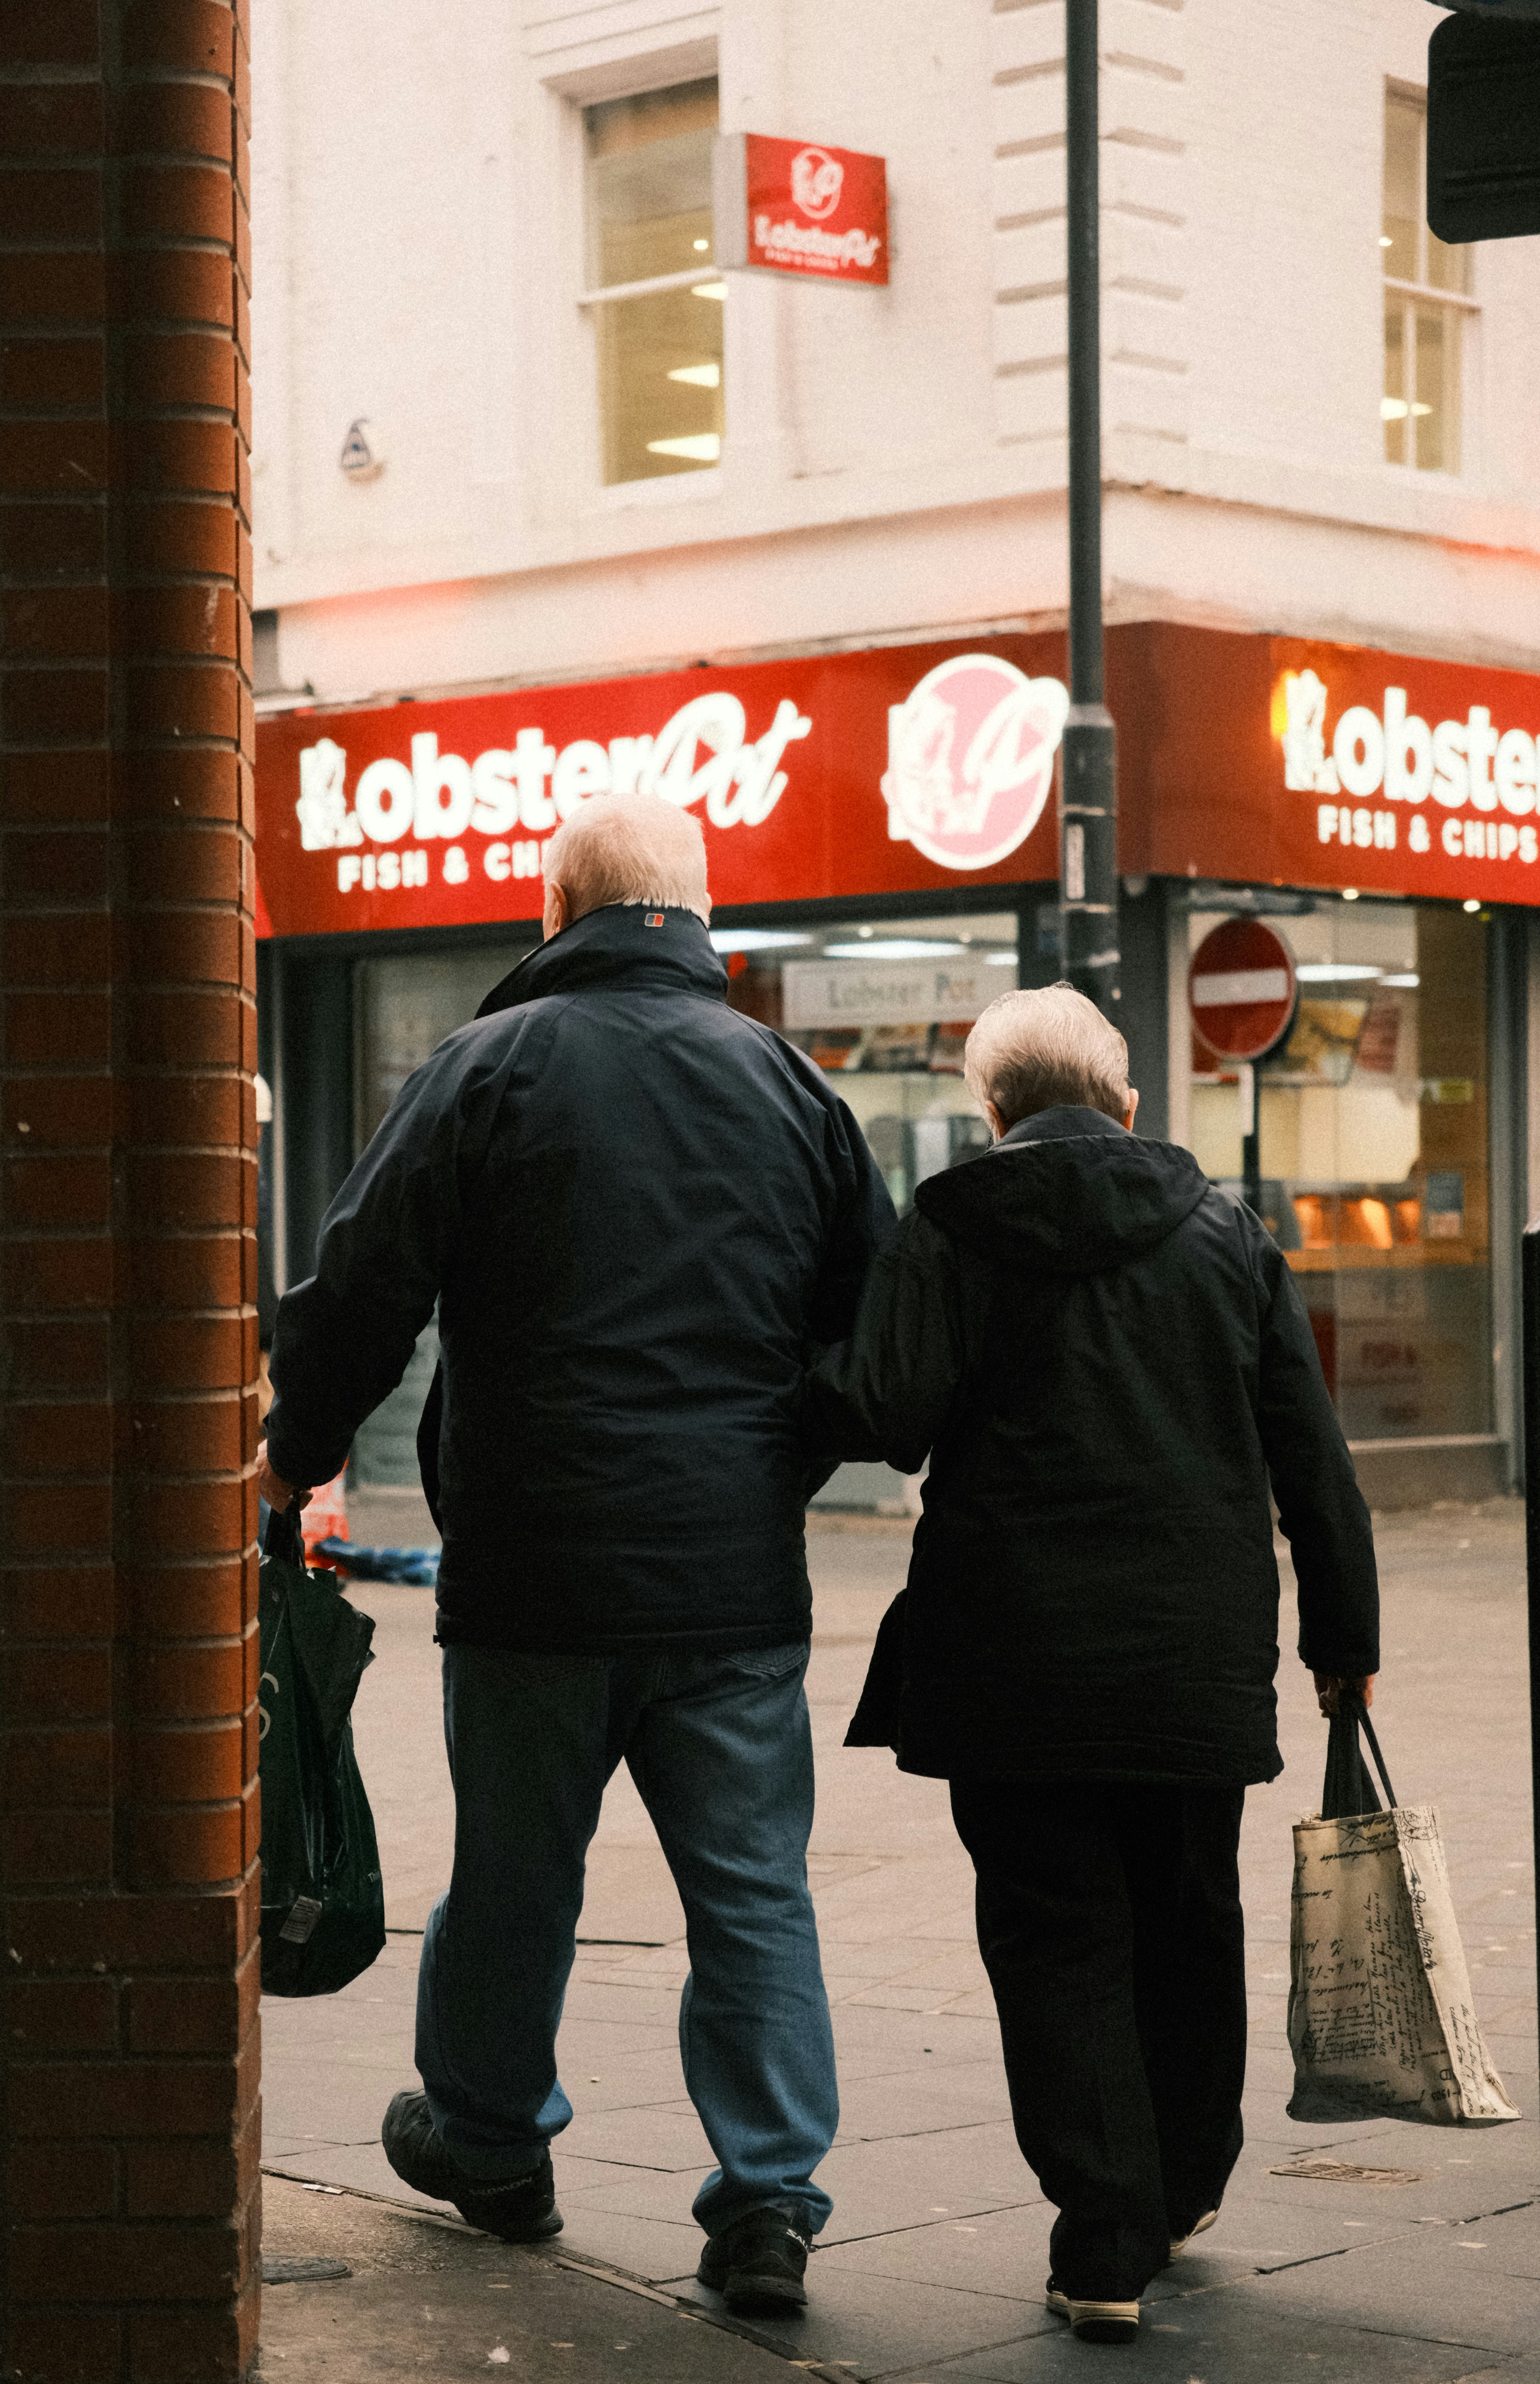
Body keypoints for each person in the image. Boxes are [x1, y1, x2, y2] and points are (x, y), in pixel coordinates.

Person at [259, 793, 897, 2314]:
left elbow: (363, 1286)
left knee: (513, 1875)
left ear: (554, 911)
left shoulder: (484, 1068)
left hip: (531, 1563)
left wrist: (290, 1455)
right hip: (729, 1580)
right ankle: (765, 2203)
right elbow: (869, 1336)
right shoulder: (792, 1090)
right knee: (751, 1888)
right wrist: (768, 1461)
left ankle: (488, 2136)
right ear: (700, 919)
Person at [804, 983, 1379, 2347]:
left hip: (1013, 1666)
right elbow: (1313, 1456)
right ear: (1127, 1104)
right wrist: (1344, 1648)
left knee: (1056, 1940)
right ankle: (1180, 2188)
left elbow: (885, 1415)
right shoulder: (1227, 1236)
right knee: (1188, 1920)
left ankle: (1105, 2235)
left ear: (994, 1111)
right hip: (1194, 1658)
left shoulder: (954, 1226)